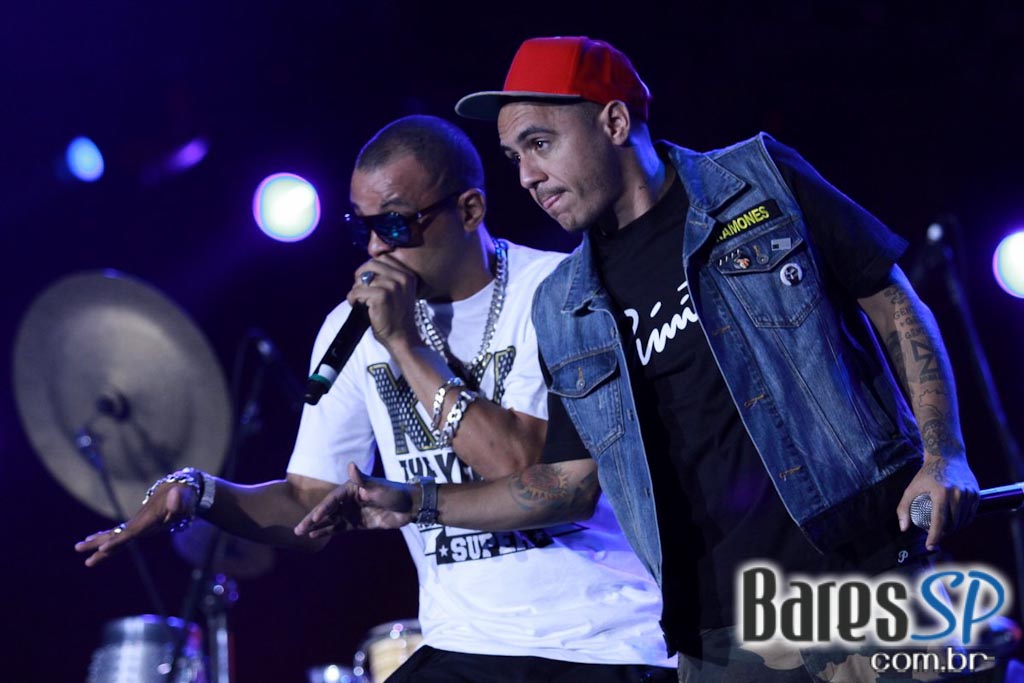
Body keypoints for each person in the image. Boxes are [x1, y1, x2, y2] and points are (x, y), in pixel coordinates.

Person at [303, 39, 982, 681]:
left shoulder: (757, 181)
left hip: (861, 572)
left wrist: (944, 453)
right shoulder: (565, 302)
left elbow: (892, 303)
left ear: (615, 122)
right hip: (721, 626)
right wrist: (417, 500)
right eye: (514, 157)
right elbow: (567, 482)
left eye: (540, 144)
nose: (528, 176)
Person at [75, 114, 676, 682]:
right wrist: (198, 492)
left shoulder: (557, 293)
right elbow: (307, 502)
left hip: (601, 639)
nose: (374, 249)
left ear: (469, 210)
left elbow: (530, 471)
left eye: (393, 224)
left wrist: (406, 346)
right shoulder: (354, 329)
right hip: (466, 644)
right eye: (360, 227)